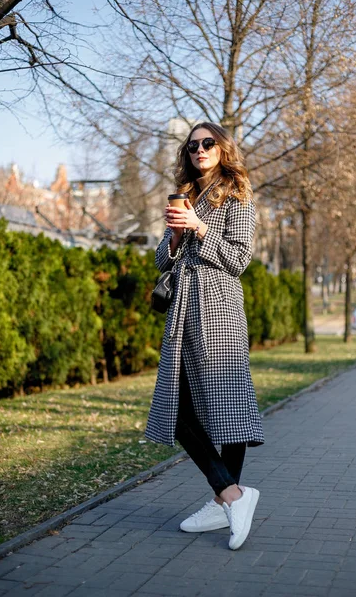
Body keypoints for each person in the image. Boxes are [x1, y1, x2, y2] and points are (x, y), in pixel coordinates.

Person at [145, 122, 264, 550]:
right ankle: (231, 495)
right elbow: (162, 259)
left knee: (227, 406)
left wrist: (200, 227)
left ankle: (224, 499)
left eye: (207, 143)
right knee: (176, 407)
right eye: (192, 145)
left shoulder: (238, 195)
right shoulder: (185, 194)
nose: (199, 149)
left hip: (219, 308)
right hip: (183, 308)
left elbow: (239, 259)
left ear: (221, 148)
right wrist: (176, 235)